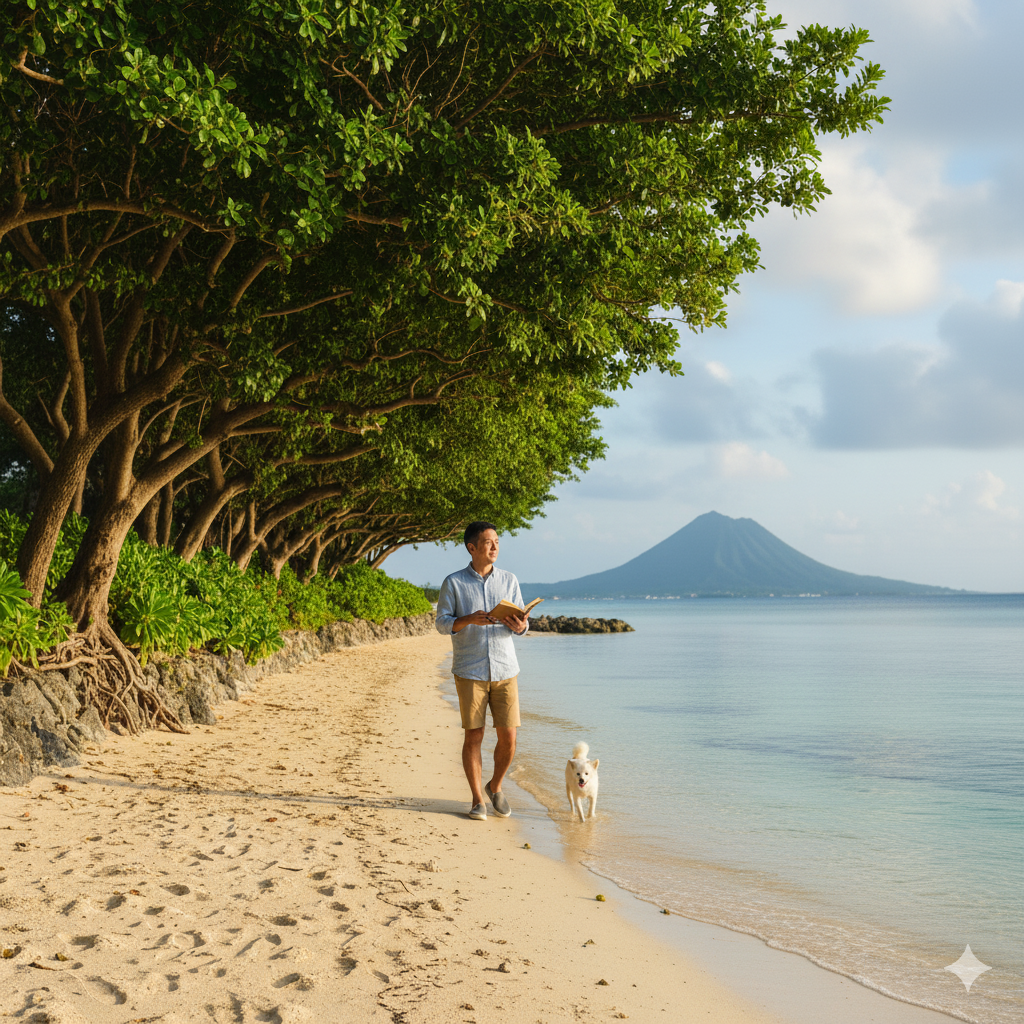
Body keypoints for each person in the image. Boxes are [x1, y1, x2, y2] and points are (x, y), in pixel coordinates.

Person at [435, 521, 531, 820]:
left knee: (509, 738)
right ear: (472, 547)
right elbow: (441, 623)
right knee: (473, 737)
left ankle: (495, 786)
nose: (495, 547)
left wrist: (521, 626)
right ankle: (477, 800)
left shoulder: (509, 579)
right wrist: (467, 620)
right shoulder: (454, 583)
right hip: (470, 669)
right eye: (489, 542)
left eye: (497, 542)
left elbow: (521, 621)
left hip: (506, 668)